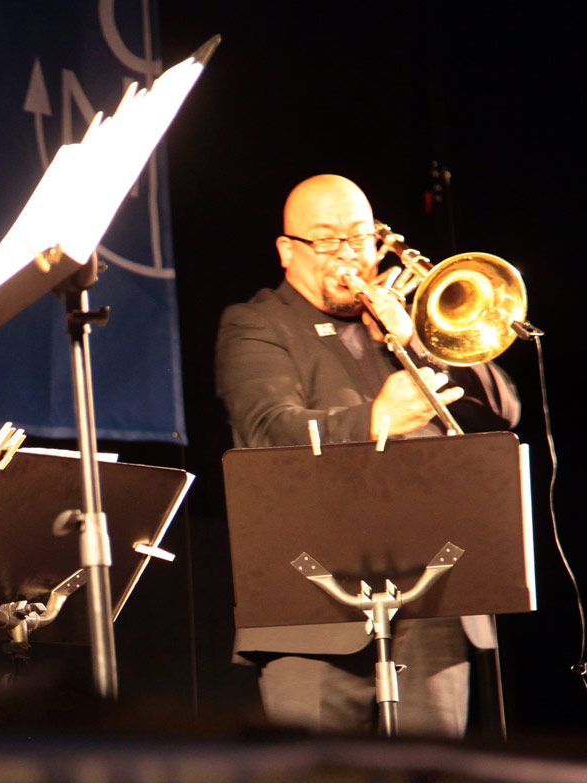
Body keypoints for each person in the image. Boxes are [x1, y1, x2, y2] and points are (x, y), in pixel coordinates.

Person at [215, 174, 520, 736]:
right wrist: (377, 418)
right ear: (288, 252)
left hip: (436, 601)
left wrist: (421, 341)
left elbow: (501, 411)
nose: (346, 256)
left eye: (359, 239)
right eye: (326, 241)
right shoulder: (256, 324)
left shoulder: (404, 327)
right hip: (315, 613)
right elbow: (267, 431)